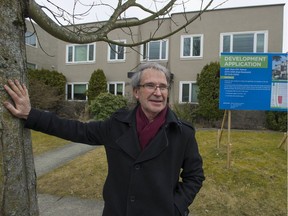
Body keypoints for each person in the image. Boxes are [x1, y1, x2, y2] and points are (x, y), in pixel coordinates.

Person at [3, 62, 205, 216]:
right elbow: (76, 130)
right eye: (150, 85)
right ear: (136, 92)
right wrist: (31, 115)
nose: (158, 93)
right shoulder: (116, 126)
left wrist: (176, 207)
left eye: (163, 87)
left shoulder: (182, 132)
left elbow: (194, 176)